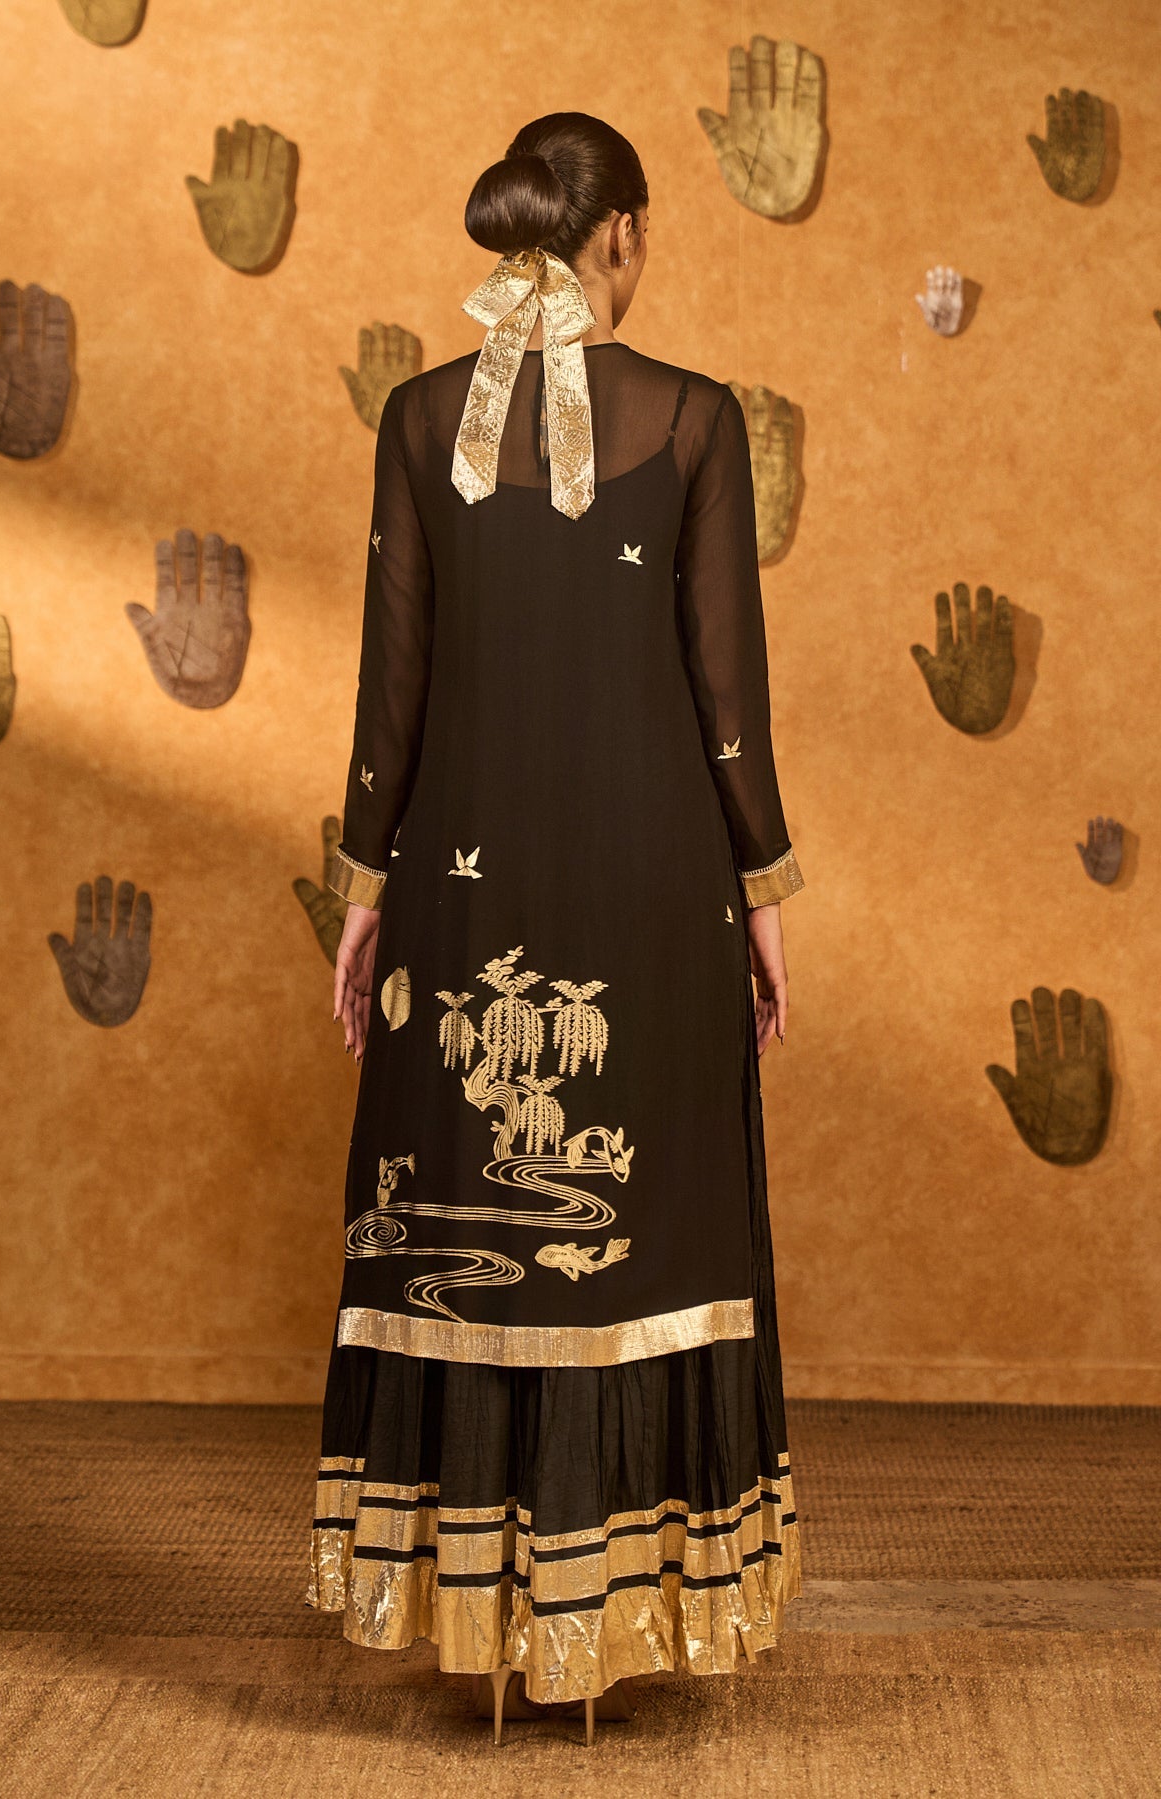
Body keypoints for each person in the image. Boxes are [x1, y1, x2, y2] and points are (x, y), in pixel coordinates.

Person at [304, 110, 807, 1747]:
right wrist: (763, 891)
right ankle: (630, 1609)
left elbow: (391, 688)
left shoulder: (418, 418)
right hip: (657, 888)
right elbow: (726, 693)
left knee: (468, 1217)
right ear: (625, 237)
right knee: (637, 1227)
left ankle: (478, 1616)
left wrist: (366, 892)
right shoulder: (699, 419)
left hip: (464, 896)